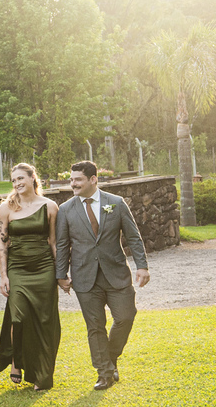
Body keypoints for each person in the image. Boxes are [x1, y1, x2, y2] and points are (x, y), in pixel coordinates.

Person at [56, 161, 149, 390]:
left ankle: (110, 357)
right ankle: (104, 373)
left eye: (78, 179)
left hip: (116, 273)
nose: (73, 183)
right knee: (95, 326)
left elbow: (134, 237)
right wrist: (61, 275)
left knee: (126, 316)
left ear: (93, 179)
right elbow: (62, 245)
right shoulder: (66, 209)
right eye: (71, 179)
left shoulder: (115, 203)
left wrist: (142, 265)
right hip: (84, 276)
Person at [0, 163, 61, 390]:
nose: (17, 183)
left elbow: (53, 243)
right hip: (18, 268)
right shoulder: (6, 208)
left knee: (44, 321)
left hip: (44, 268)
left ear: (33, 178)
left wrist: (61, 273)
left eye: (21, 178)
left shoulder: (50, 206)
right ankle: (16, 359)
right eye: (13, 180)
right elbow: (2, 245)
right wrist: (4, 275)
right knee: (18, 317)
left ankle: (41, 375)